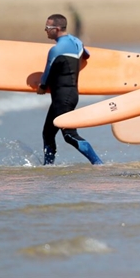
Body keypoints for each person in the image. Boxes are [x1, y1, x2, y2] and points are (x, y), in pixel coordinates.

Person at [37, 14, 102, 165]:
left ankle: (98, 163)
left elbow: (47, 73)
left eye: (48, 28)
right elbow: (87, 55)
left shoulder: (56, 49)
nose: (46, 30)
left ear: (57, 29)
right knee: (48, 133)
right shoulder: (76, 41)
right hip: (69, 95)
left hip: (63, 97)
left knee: (69, 135)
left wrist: (41, 87)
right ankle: (48, 166)